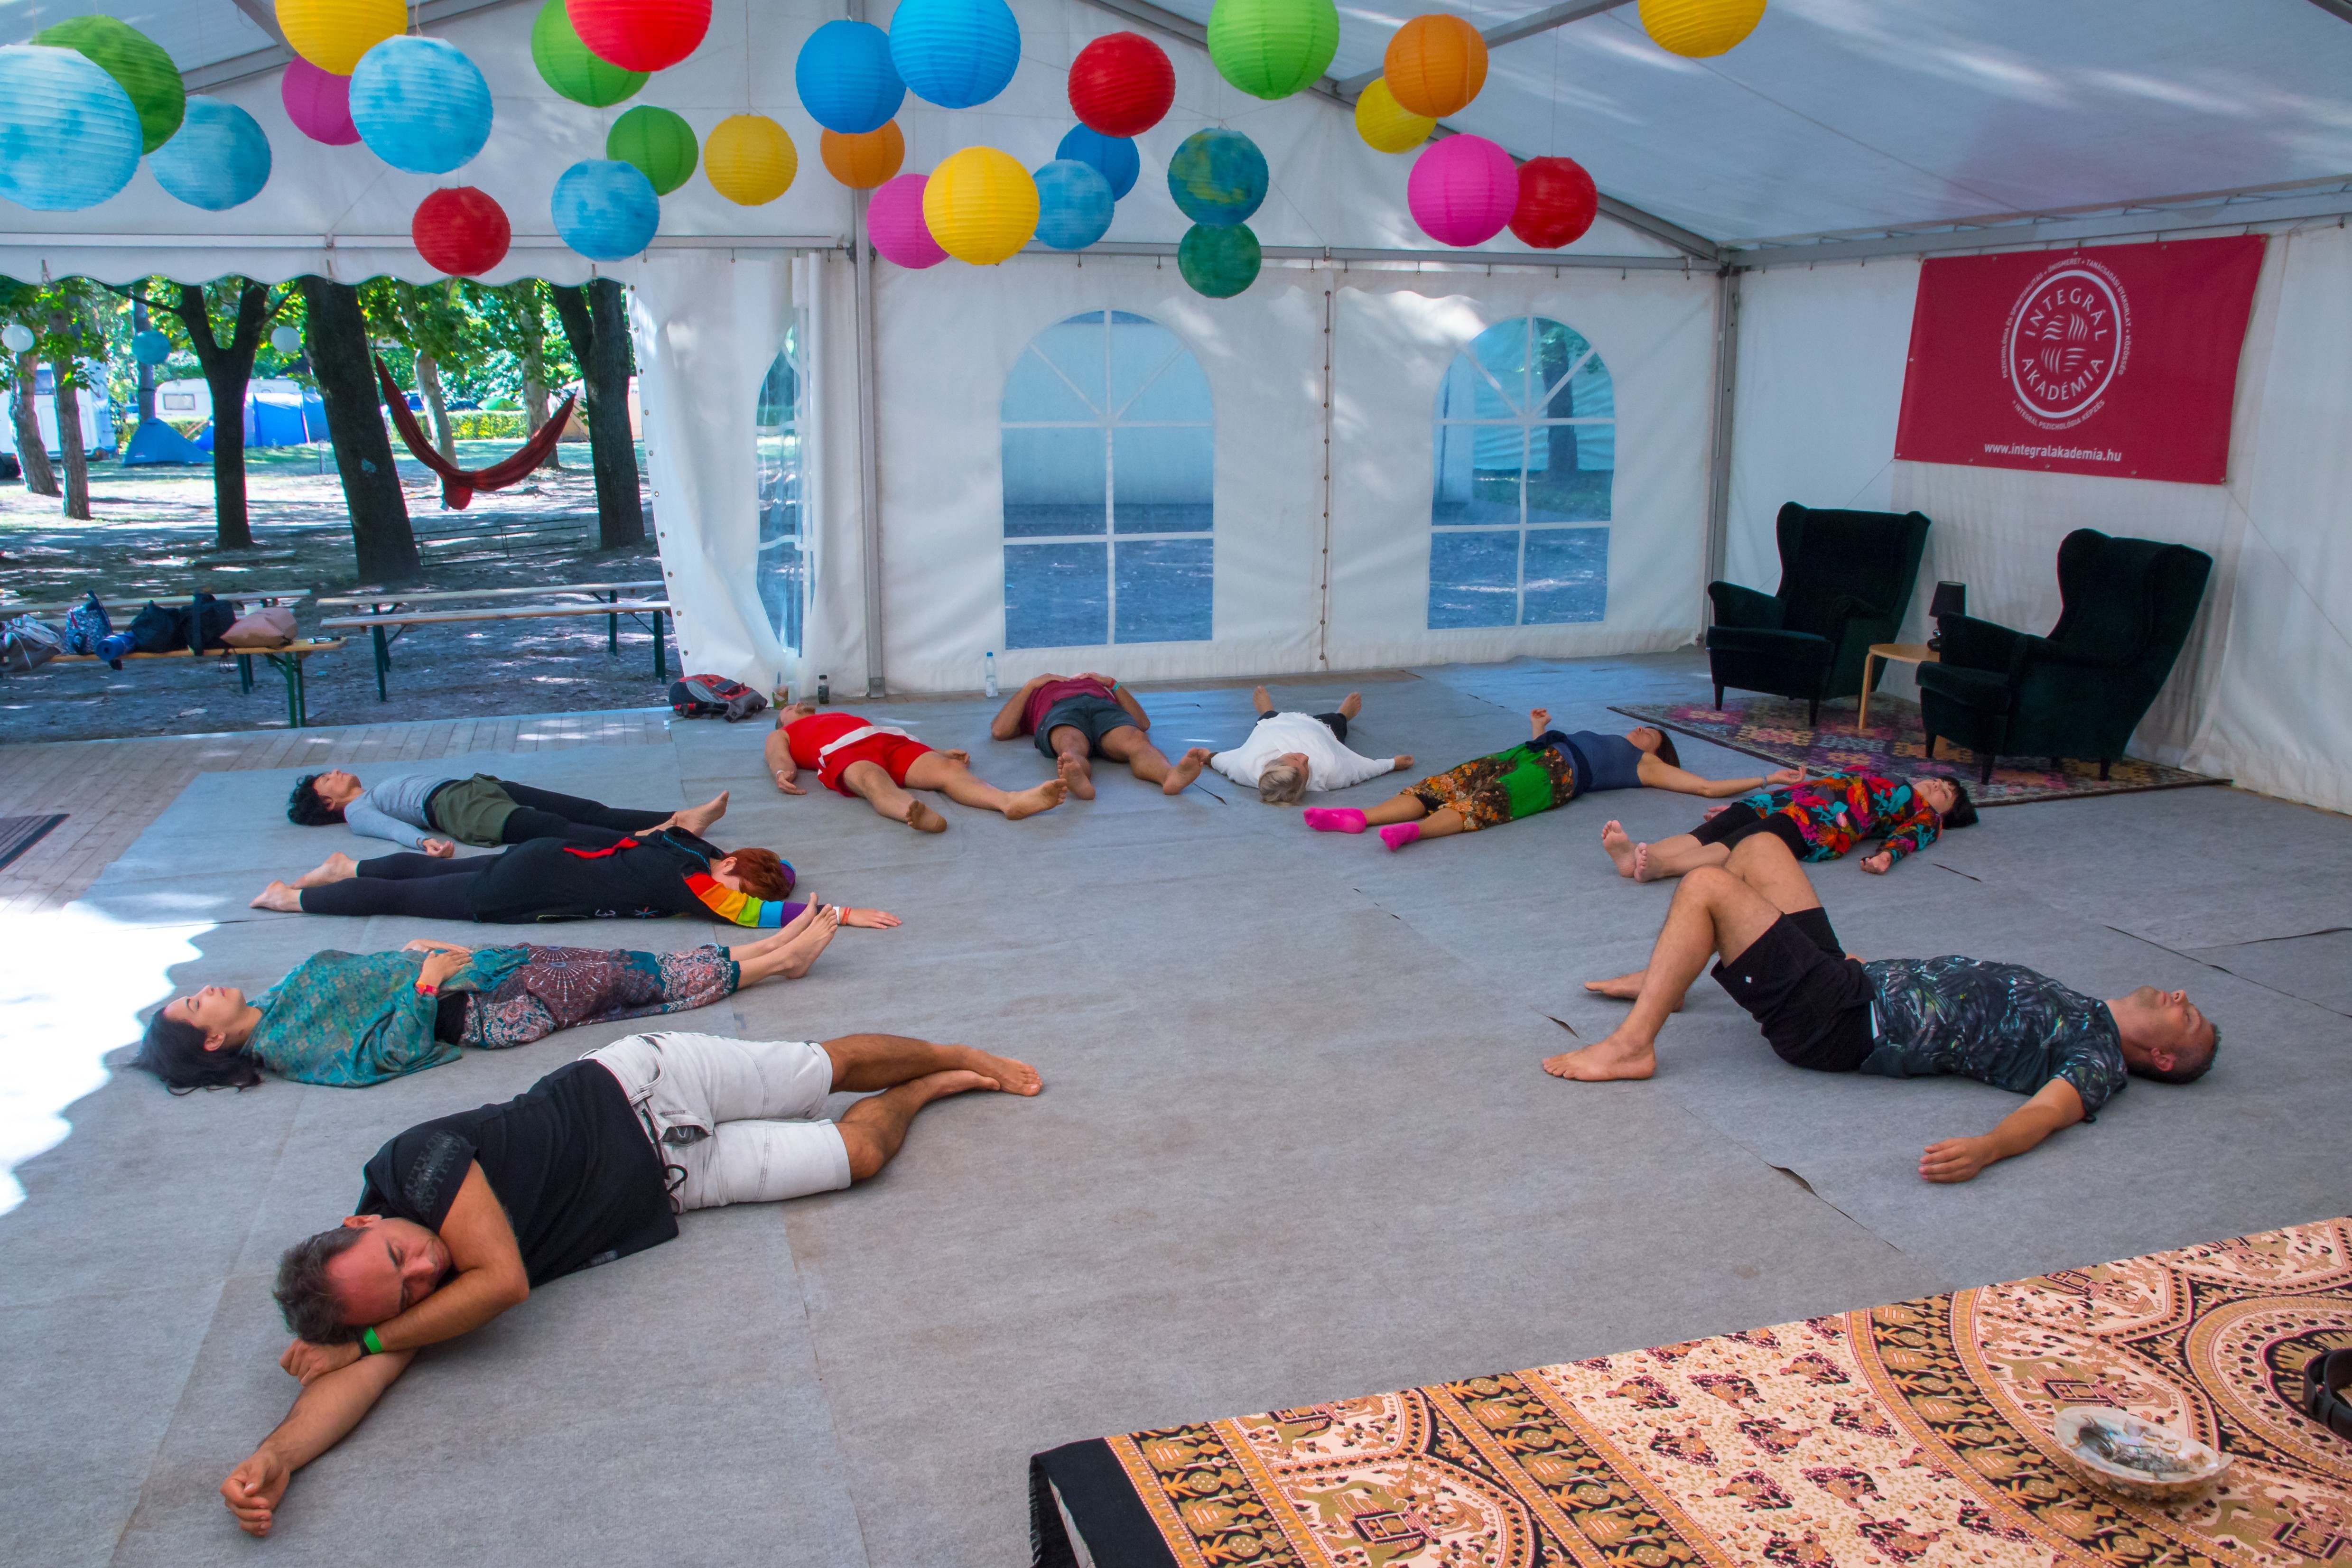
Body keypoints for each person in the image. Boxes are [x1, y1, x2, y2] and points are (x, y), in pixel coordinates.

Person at [218, 1028, 1042, 1537]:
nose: (425, 1271)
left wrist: (371, 1337)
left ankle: (956, 1052)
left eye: (401, 1255)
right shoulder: (407, 1308)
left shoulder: (412, 1165)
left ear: (364, 1220)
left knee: (823, 1069)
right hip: (678, 1182)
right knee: (856, 1157)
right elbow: (364, 1371)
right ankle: (925, 1088)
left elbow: (500, 1284)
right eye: (406, 1294)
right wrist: (275, 1455)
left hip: (648, 1083)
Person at [1544, 831, 2217, 1182]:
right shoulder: (2085, 1008)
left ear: (2161, 1056)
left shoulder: (2097, 1058)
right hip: (1855, 982)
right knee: (1759, 848)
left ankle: (1632, 1044)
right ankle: (1672, 971)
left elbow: (2045, 1115)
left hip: (1843, 1022)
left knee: (1706, 885)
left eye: (2186, 1017)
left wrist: (1985, 1149)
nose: (2181, 997)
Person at [137, 905, 846, 1090]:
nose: (204, 991)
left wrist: (411, 955)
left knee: (632, 963)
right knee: (635, 985)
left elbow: (359, 979)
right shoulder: (289, 1045)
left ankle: (768, 949)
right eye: (196, 1006)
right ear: (213, 1040)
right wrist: (425, 980)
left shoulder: (276, 998)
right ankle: (781, 961)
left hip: (484, 968)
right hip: (486, 1008)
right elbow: (387, 1051)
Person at [1303, 710, 1806, 851]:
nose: (1641, 731)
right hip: (1529, 753)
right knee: (1446, 783)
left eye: (1651, 734)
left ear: (1658, 751)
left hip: (1558, 778)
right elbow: (1554, 745)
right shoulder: (1613, 739)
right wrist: (1537, 729)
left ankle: (1413, 831)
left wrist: (1767, 776)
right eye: (1644, 727)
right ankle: (1362, 816)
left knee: (1486, 802)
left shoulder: (1646, 765)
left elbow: (1705, 788)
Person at [247, 826, 900, 931]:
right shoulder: (693, 883)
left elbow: (776, 874)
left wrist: (773, 873)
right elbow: (754, 915)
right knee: (406, 899)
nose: (730, 897)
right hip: (525, 887)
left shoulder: (692, 847)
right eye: (737, 883)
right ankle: (291, 899)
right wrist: (838, 914)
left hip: (546, 854)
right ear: (727, 868)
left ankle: (345, 866)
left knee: (429, 870)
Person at [1605, 770, 1974, 881]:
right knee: (1714, 829)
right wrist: (1765, 797)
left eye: (1945, 793)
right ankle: (1636, 855)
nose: (1936, 786)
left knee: (1740, 841)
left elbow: (1909, 837)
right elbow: (1825, 782)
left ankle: (1662, 867)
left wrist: (1886, 857)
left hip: (1820, 823)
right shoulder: (1893, 778)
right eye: (1938, 781)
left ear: (1945, 815)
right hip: (1791, 801)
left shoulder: (1928, 817)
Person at [765, 701, 1066, 830]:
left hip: (890, 740)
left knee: (949, 770)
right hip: (842, 751)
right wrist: (782, 772)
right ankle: (910, 811)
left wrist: (938, 752)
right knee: (873, 780)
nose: (796, 706)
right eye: (789, 709)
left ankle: (1009, 801)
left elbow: (874, 731)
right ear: (783, 722)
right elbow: (777, 755)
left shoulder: (837, 715)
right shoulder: (784, 732)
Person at [288, 768, 726, 855]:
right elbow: (388, 828)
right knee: (556, 827)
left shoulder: (370, 790)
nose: (335, 772)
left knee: (585, 809)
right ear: (327, 802)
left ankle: (677, 817)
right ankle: (658, 839)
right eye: (326, 779)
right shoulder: (358, 811)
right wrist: (424, 842)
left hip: (476, 786)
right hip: (455, 808)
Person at [989, 671, 1210, 799]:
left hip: (1103, 707)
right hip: (1060, 709)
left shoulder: (1100, 686)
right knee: (1070, 745)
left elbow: (1143, 723)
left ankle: (1169, 775)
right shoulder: (1037, 693)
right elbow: (999, 731)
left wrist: (1111, 683)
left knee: (1136, 740)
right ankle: (1079, 778)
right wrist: (1030, 686)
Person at [1207, 687, 1413, 805]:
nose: (1306, 757)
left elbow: (1224, 763)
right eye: (1306, 767)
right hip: (1321, 730)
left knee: (1267, 719)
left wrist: (1208, 757)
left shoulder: (1245, 767)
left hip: (1274, 726)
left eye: (1295, 759)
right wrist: (1393, 764)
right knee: (1335, 723)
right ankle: (1343, 715)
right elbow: (1361, 770)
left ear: (1273, 762)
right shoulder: (1331, 772)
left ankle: (1267, 711)